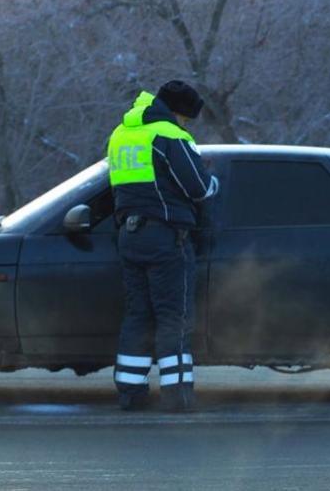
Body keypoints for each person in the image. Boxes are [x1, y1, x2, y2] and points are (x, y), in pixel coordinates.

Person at [106, 80, 219, 412]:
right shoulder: (169, 135)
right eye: (186, 119)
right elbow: (199, 189)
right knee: (174, 318)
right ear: (177, 112)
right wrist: (214, 182)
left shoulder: (121, 135)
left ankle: (130, 393)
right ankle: (178, 397)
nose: (186, 126)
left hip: (129, 236)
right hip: (167, 238)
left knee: (138, 315)